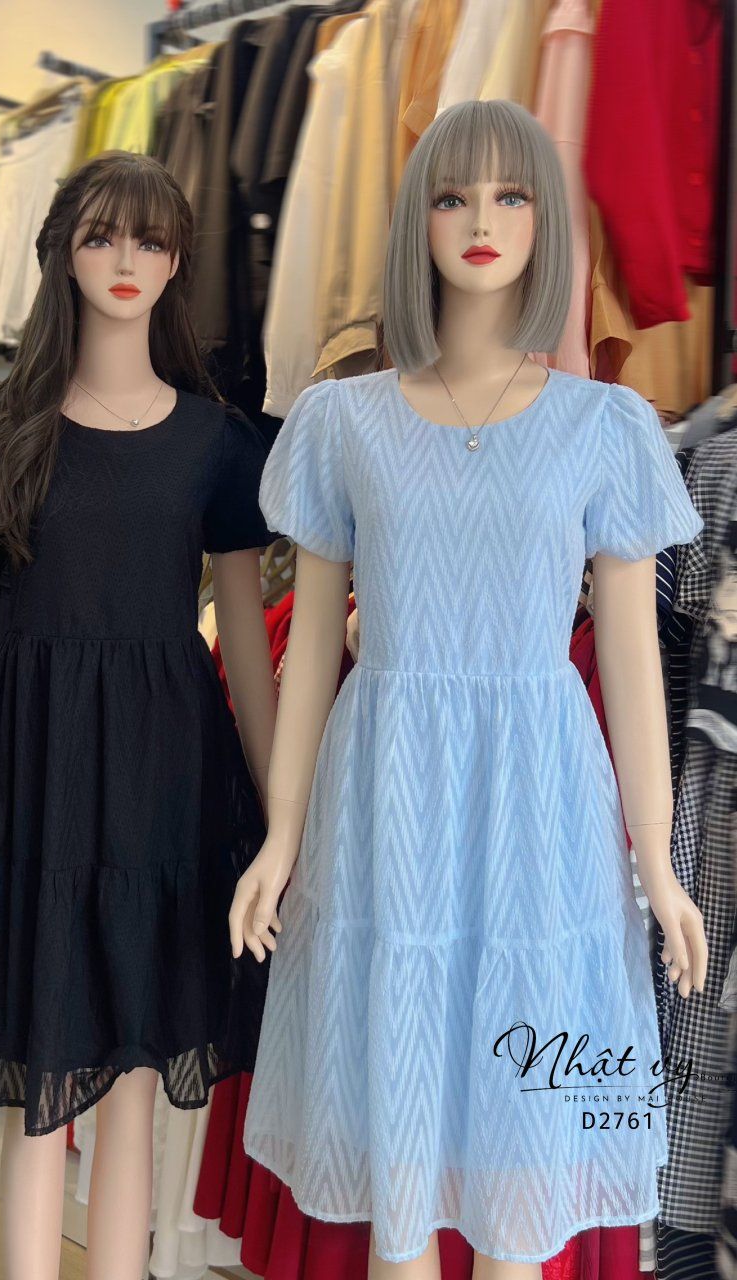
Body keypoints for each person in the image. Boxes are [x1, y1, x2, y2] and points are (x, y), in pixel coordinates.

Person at [230, 99, 708, 1279]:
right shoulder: (343, 421)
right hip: (385, 799)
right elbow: (310, 657)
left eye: (509, 194)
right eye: (450, 196)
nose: (478, 220)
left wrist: (656, 863)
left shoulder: (603, 427)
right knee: (398, 1178)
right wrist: (281, 832)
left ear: (545, 222)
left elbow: (631, 667)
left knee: (518, 1172)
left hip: (541, 804)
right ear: (418, 220)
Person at [0, 150, 278, 1279]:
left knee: (135, 1079)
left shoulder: (215, 442)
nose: (125, 260)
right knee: (40, 1076)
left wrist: (281, 819)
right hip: (33, 769)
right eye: (100, 236)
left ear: (177, 260)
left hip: (166, 773)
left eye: (149, 238)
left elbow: (245, 644)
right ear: (61, 254)